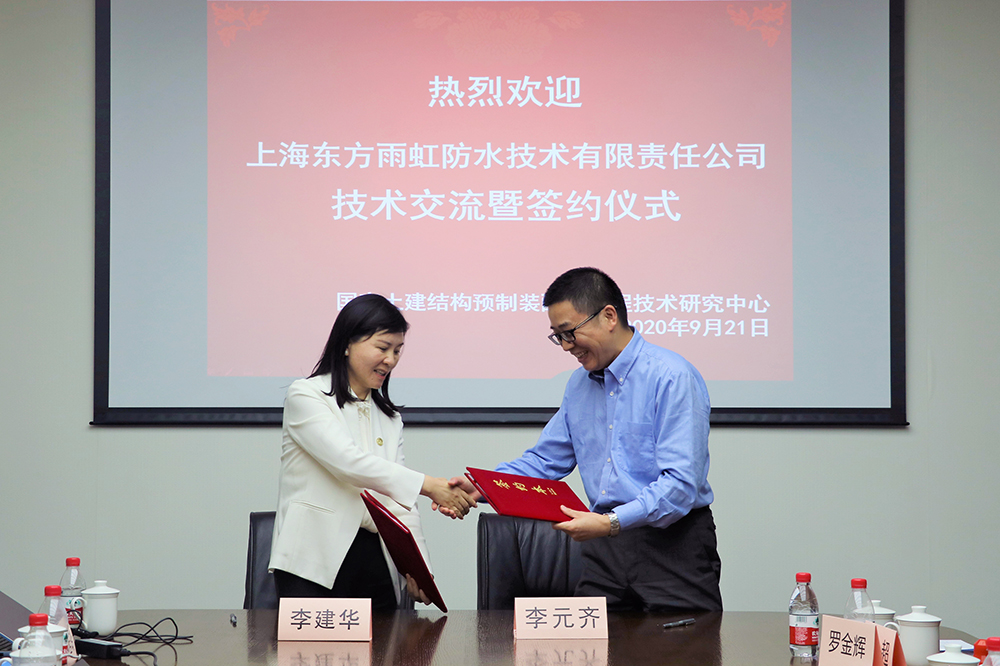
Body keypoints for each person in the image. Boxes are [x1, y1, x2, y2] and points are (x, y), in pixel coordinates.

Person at [446, 267, 722, 612]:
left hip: (672, 546)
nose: (566, 346)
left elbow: (681, 485)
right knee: (591, 642)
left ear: (609, 316)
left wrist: (611, 523)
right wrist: (484, 486)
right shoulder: (579, 384)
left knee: (687, 643)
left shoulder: (671, 376)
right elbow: (546, 460)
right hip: (603, 553)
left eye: (570, 332)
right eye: (557, 337)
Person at [269, 294, 473, 611]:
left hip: (376, 562)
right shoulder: (307, 396)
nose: (390, 360)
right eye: (382, 348)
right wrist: (429, 485)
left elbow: (399, 503)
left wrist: (421, 571)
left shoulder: (389, 418)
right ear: (347, 344)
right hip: (313, 562)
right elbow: (348, 463)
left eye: (397, 350)